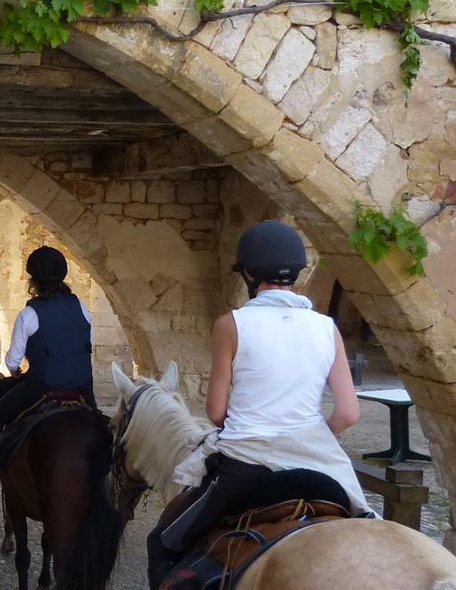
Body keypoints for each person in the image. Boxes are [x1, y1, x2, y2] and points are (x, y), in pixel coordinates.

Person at [144, 220, 372, 588]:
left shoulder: (231, 324)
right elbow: (348, 414)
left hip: (246, 467)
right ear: (297, 272)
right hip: (320, 468)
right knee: (368, 529)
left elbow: (216, 412)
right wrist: (305, 437)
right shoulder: (326, 327)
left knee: (163, 541)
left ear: (248, 273)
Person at [0, 246, 94, 503]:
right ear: (63, 275)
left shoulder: (30, 313)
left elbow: (13, 360)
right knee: (98, 422)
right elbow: (85, 342)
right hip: (82, 385)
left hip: (43, 384)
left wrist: (16, 372)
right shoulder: (80, 306)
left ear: (33, 279)